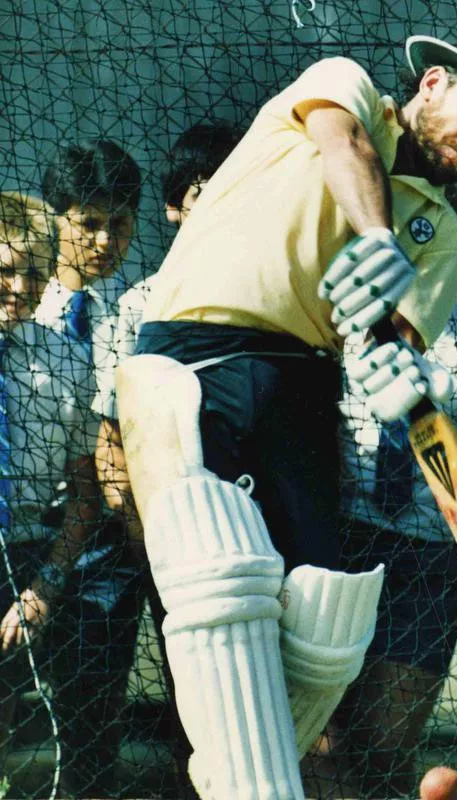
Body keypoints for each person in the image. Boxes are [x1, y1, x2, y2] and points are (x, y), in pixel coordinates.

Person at [114, 31, 457, 800]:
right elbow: (345, 146)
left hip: (306, 388)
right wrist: (378, 237)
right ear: (434, 82)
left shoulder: (445, 236)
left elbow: (394, 339)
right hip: (197, 354)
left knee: (322, 619)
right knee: (223, 584)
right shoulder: (340, 83)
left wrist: (393, 366)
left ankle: (243, 781)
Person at [93, 120, 241, 800]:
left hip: (254, 537)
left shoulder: (271, 303)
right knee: (193, 701)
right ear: (174, 205)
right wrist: (143, 535)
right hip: (171, 543)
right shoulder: (138, 308)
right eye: (201, 192)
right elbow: (110, 441)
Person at [315, 293, 457, 798]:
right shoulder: (341, 321)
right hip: (340, 544)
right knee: (323, 743)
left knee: (386, 747)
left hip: (430, 559)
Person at [35, 139, 145, 797]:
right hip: (27, 528)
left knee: (92, 712)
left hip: (105, 540)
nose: (104, 240)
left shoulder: (138, 313)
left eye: (120, 223)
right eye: (88, 222)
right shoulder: (20, 307)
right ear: (56, 219)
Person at [0, 191, 101, 794]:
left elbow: (87, 495)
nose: (20, 285)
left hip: (22, 558)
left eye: (35, 273)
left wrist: (46, 586)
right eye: (6, 267)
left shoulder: (64, 361)